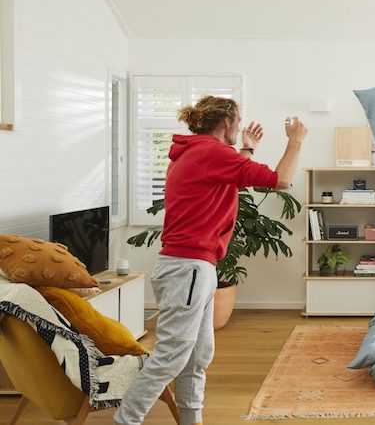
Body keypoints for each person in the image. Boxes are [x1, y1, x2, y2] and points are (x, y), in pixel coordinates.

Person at [114, 95, 307, 425]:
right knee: (171, 356)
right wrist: (296, 141)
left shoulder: (197, 152)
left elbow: (232, 176)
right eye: (239, 119)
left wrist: (247, 149)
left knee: (197, 355)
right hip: (188, 268)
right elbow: (282, 180)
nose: (242, 125)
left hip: (191, 267)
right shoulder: (212, 152)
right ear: (227, 121)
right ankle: (125, 420)